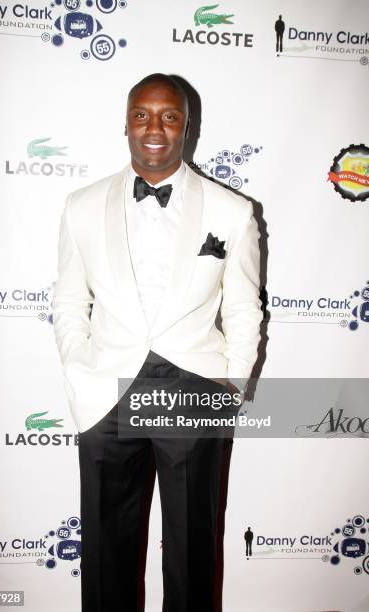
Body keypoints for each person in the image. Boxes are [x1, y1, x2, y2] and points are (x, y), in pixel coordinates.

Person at [51, 73, 263, 612]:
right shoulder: (80, 204)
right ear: (125, 123)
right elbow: (70, 302)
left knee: (193, 553)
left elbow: (242, 309)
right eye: (142, 114)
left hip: (193, 388)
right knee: (106, 555)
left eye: (169, 116)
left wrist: (229, 386)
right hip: (106, 393)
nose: (155, 127)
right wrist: (79, 368)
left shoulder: (232, 211)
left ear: (186, 127)